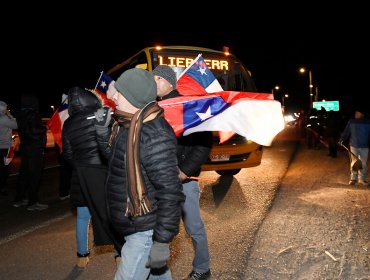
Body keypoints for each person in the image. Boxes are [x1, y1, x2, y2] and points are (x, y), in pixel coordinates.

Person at [94, 68, 185, 280]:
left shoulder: (154, 134)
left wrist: (162, 241)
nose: (114, 96)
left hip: (145, 229)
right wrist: (101, 132)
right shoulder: (126, 123)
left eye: (120, 92)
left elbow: (171, 192)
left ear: (134, 97)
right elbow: (117, 160)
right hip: (132, 223)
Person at [154, 65, 213, 280]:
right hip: (160, 182)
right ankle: (158, 272)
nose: (154, 82)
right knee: (160, 228)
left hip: (183, 181)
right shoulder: (154, 107)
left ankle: (202, 268)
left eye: (158, 78)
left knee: (193, 227)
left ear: (170, 82)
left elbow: (204, 144)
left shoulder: (187, 106)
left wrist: (184, 170)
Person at [62, 86, 118, 268]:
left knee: (83, 217)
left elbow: (67, 155)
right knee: (112, 212)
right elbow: (113, 142)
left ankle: (82, 256)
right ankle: (119, 253)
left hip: (82, 175)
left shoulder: (68, 123)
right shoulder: (102, 113)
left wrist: (81, 165)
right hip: (104, 172)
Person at [13, 94, 48, 210]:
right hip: (34, 148)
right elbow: (34, 130)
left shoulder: (20, 114)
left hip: (25, 147)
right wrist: (44, 128)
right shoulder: (33, 114)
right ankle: (33, 202)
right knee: (35, 175)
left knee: (24, 173)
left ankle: (19, 199)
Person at [339, 108, 370, 186]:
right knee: (355, 162)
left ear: (362, 114)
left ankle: (362, 179)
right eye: (355, 112)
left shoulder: (368, 122)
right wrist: (341, 139)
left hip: (364, 146)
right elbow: (346, 131)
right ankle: (353, 179)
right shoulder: (351, 122)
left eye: (357, 112)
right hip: (354, 145)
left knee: (363, 163)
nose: (355, 114)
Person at [0, 101, 18, 196]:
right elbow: (16, 125)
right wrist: (10, 115)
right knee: (5, 167)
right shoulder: (4, 118)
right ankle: (3, 187)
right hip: (5, 146)